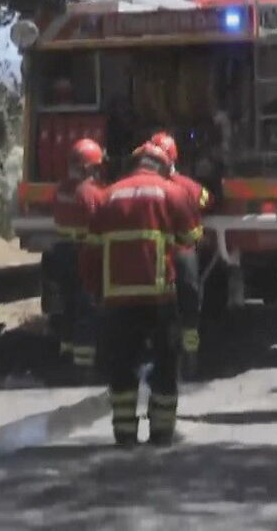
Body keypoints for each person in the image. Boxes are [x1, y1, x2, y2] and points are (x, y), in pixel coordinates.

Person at [93, 142, 203, 445]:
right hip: (159, 299)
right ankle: (162, 432)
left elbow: (89, 253)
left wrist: (96, 294)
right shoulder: (173, 193)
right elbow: (188, 248)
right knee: (166, 363)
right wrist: (189, 306)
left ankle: (125, 434)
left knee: (122, 365)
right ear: (165, 167)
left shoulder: (107, 196)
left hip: (117, 301)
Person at [149, 131, 212, 378]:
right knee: (190, 306)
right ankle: (191, 357)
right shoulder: (186, 186)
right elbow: (207, 200)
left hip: (155, 256)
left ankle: (163, 353)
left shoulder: (142, 186)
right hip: (184, 254)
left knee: (158, 307)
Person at [44, 139, 104, 372]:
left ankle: (65, 355)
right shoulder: (89, 193)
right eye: (96, 166)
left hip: (62, 252)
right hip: (82, 254)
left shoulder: (60, 190)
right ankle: (84, 364)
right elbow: (102, 215)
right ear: (89, 167)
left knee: (68, 305)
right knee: (86, 307)